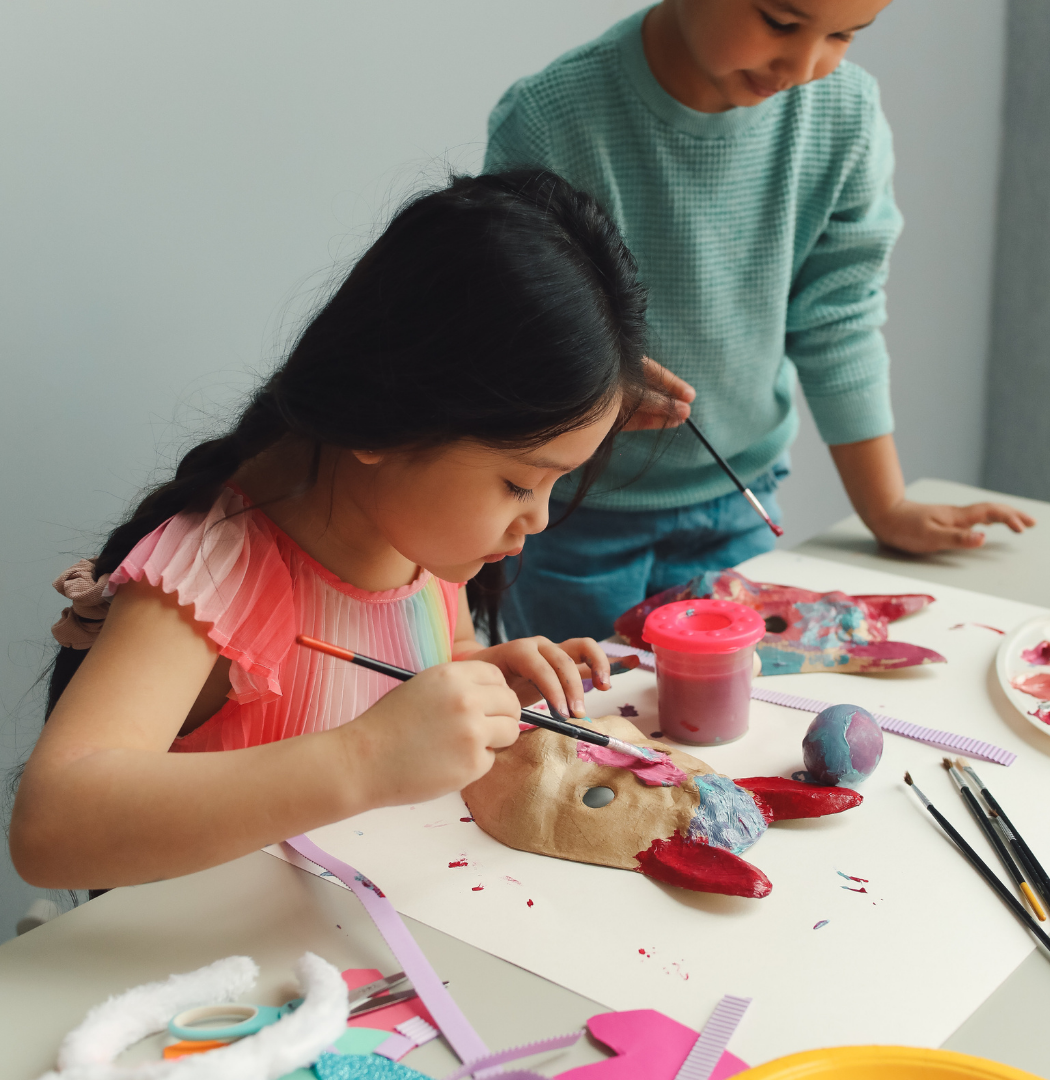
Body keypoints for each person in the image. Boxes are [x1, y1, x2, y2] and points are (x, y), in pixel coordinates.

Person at [10, 171, 651, 890]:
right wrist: (363, 758)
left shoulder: (418, 545)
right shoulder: (213, 574)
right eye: (520, 483)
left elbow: (431, 657)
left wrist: (481, 681)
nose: (538, 518)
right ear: (387, 418)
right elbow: (51, 828)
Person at [484, 0, 1036, 643]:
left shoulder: (844, 115)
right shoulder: (550, 119)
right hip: (569, 513)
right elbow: (506, 322)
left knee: (737, 697)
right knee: (584, 704)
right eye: (781, 22)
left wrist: (885, 506)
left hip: (737, 501)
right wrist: (596, 382)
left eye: (843, 35)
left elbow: (839, 316)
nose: (803, 66)